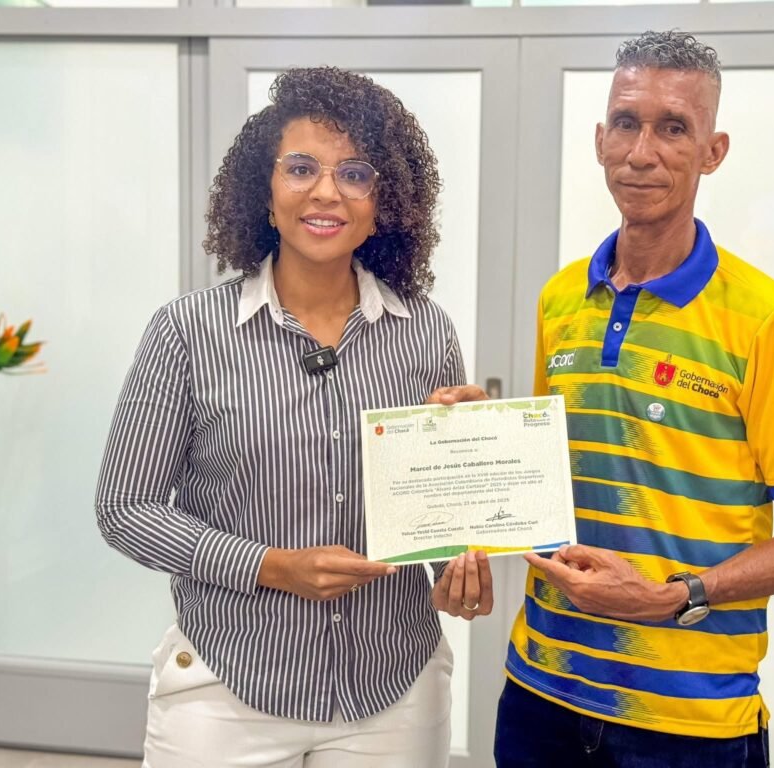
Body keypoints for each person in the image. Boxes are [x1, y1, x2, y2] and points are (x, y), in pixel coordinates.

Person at [95, 66, 492, 768]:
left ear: (383, 203)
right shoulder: (186, 332)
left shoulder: (427, 331)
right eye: (302, 168)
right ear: (265, 192)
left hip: (393, 687)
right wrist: (270, 567)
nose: (326, 192)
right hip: (227, 683)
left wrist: (460, 553)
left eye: (355, 174)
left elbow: (432, 522)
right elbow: (125, 508)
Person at [493, 30, 774, 768]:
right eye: (626, 123)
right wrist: (469, 438)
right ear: (600, 139)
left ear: (713, 151)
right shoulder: (561, 298)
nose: (642, 152)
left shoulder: (768, 320)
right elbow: (545, 483)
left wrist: (678, 595)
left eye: (673, 128)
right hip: (538, 693)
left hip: (689, 721)